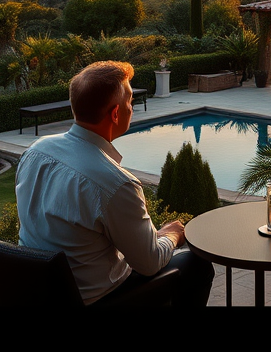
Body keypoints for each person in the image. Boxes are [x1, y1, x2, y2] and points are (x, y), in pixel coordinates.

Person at [15, 60, 215, 306]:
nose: (131, 107)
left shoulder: (35, 152)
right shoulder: (114, 184)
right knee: (197, 264)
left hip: (40, 292)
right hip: (96, 299)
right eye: (129, 101)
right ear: (116, 113)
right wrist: (172, 235)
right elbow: (149, 264)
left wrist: (157, 238)